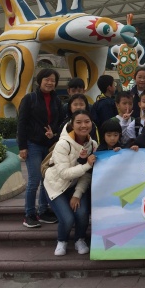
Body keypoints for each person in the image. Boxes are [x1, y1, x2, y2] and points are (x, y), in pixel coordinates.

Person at [43, 109, 96, 256]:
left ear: (91, 123)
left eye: (87, 121)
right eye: (79, 122)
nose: (83, 125)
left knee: (82, 213)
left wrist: (77, 194)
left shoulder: (92, 145)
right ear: (72, 124)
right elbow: (64, 173)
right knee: (67, 219)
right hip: (56, 185)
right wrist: (87, 165)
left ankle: (80, 239)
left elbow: (86, 175)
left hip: (75, 186)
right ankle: (62, 241)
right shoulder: (63, 144)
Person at [17, 69, 64, 228]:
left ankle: (43, 211)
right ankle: (29, 214)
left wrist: (54, 133)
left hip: (49, 145)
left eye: (53, 80)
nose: (50, 83)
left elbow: (60, 121)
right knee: (34, 179)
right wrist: (22, 146)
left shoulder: (57, 100)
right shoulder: (30, 98)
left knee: (47, 179)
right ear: (40, 81)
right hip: (33, 144)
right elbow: (21, 123)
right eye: (47, 79)